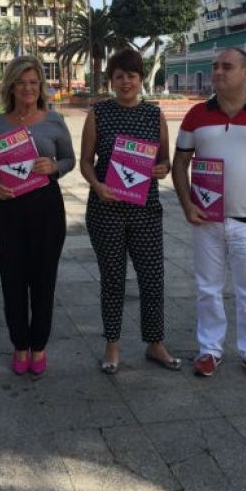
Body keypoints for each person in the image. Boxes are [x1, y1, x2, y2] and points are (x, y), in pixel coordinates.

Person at [172, 47, 246, 382]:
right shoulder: (196, 115)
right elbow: (179, 164)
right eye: (214, 67)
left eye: (227, 67)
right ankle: (209, 350)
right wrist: (187, 205)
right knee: (207, 288)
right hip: (206, 220)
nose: (218, 73)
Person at [80, 48, 180, 374]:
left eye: (132, 76)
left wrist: (161, 169)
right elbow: (85, 161)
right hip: (107, 209)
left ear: (140, 80)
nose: (126, 82)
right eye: (119, 76)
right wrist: (97, 185)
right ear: (111, 79)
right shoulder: (98, 114)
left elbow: (165, 160)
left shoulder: (154, 115)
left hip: (145, 209)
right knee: (113, 280)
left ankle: (155, 343)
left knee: (152, 279)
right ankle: (112, 345)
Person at [0, 55, 75, 377]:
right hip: (7, 209)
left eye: (34, 82)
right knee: (13, 280)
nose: (28, 88)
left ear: (41, 87)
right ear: (12, 86)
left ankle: (39, 346)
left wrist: (55, 167)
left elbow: (69, 158)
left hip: (46, 207)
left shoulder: (54, 121)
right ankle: (20, 346)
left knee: (44, 280)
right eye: (22, 82)